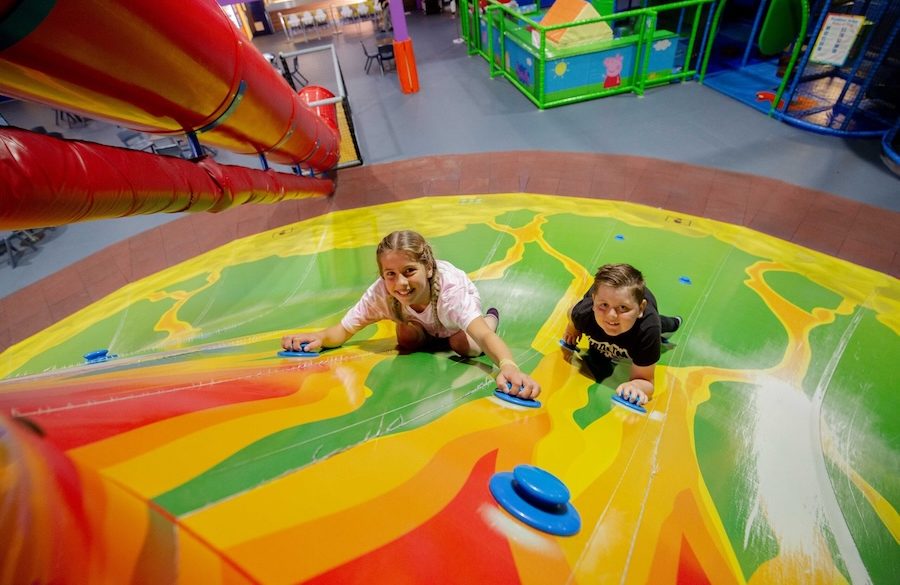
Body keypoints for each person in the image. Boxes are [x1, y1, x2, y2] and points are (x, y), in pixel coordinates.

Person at [282, 230, 541, 399]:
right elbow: (343, 331)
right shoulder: (381, 293)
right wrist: (319, 337)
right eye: (390, 274)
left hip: (455, 325)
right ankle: (430, 335)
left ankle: (491, 316)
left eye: (409, 271)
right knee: (406, 339)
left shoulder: (452, 292)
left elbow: (483, 336)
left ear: (428, 268)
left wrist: (508, 367)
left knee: (464, 345)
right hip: (426, 324)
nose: (401, 283)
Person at [563, 263, 681, 406]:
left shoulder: (647, 328)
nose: (611, 316)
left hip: (645, 315)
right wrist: (572, 331)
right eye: (604, 305)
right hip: (606, 299)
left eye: (623, 308)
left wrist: (636, 385)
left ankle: (674, 322)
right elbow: (571, 314)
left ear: (641, 309)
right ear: (593, 302)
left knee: (660, 325)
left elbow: (647, 381)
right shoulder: (583, 312)